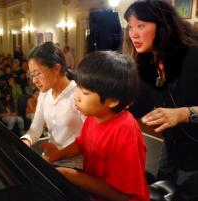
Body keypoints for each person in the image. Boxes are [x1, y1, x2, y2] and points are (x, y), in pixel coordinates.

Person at [44, 51, 149, 201]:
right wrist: (53, 157)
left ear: (113, 100)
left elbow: (121, 194)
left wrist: (69, 174)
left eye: (85, 92)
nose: (76, 96)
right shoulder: (94, 116)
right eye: (78, 87)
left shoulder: (125, 128)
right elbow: (81, 144)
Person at [123, 0, 198, 199]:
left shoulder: (193, 55)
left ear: (163, 26)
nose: (133, 33)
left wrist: (182, 113)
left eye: (141, 25)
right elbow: (140, 106)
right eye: (130, 27)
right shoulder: (148, 62)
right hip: (172, 150)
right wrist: (109, 104)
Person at [20, 42, 84, 154]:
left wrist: (57, 155)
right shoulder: (44, 94)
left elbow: (88, 139)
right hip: (51, 158)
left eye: (37, 74)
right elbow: (36, 128)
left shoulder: (77, 94)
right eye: (32, 75)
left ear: (56, 69)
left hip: (73, 163)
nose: (34, 80)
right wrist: (26, 140)